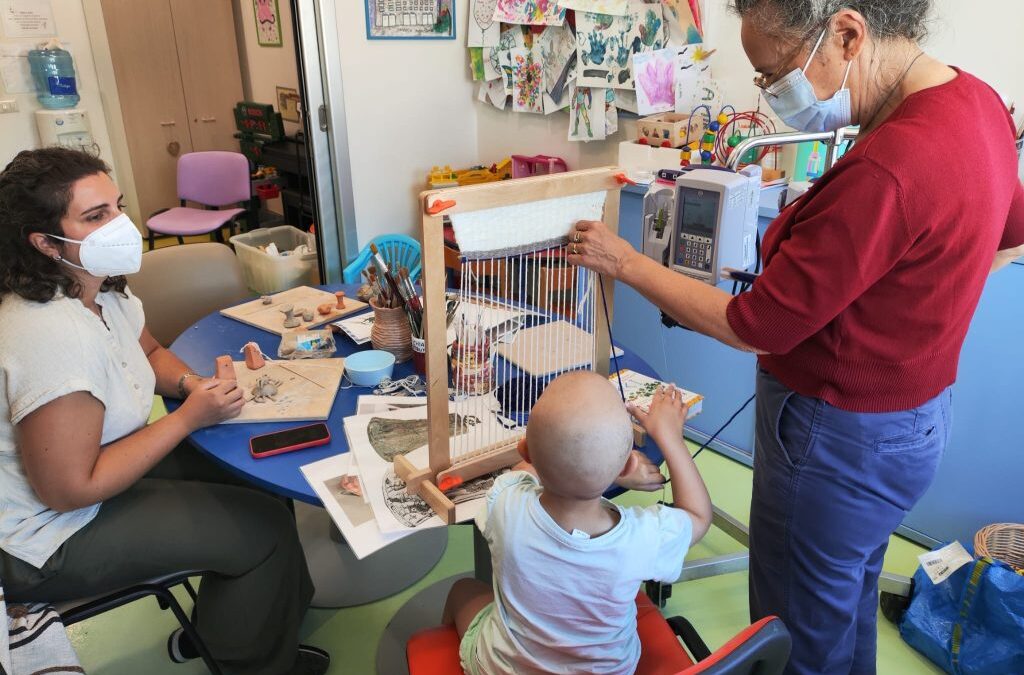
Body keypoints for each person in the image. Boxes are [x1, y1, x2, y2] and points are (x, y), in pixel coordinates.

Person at [566, 2, 1024, 673]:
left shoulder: (889, 167)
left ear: (847, 34)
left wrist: (626, 263)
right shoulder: (978, 105)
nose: (769, 93)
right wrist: (907, 301)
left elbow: (753, 325)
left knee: (801, 635)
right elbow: (1007, 241)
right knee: (848, 596)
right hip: (915, 427)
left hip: (837, 443)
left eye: (774, 72)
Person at [0, 147, 329, 675]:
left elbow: (150, 351)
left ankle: (236, 627)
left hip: (98, 468)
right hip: (49, 536)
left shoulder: (98, 289)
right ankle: (250, 661)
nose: (120, 225)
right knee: (262, 530)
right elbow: (68, 489)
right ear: (43, 242)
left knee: (256, 468)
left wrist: (194, 385)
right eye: (95, 216)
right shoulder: (51, 335)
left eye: (117, 206)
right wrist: (187, 417)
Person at [444, 372, 712, 675]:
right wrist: (669, 437)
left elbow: (523, 471)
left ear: (525, 449)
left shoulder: (507, 503)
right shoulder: (641, 540)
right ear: (627, 466)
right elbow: (698, 515)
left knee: (462, 590)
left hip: (504, 669)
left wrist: (592, 469)